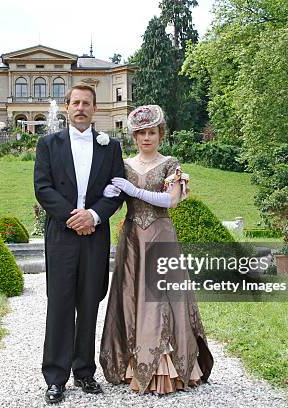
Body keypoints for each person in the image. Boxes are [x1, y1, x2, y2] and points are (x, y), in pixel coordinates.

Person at [99, 105, 214, 395]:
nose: (146, 138)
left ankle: (167, 369)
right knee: (131, 295)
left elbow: (171, 201)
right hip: (132, 237)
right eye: (141, 134)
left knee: (161, 298)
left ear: (160, 134)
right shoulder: (124, 164)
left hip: (161, 235)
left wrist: (134, 191)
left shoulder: (169, 163)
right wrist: (108, 192)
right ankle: (132, 363)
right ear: (134, 137)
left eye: (151, 132)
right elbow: (111, 197)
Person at [34, 84, 126, 404]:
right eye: (76, 103)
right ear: (67, 107)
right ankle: (56, 377)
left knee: (89, 301)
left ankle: (84, 372)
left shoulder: (110, 147)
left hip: (95, 234)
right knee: (60, 303)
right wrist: (73, 217)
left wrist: (95, 216)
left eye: (87, 103)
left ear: (95, 109)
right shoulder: (48, 143)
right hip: (62, 234)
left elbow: (116, 189)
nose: (81, 108)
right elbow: (43, 188)